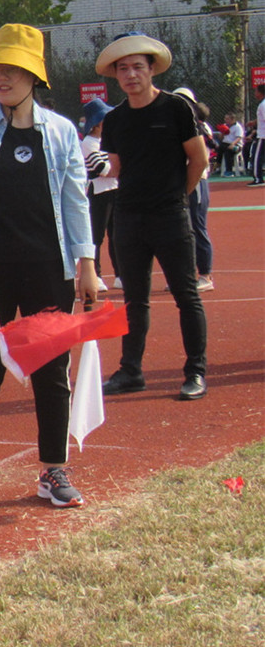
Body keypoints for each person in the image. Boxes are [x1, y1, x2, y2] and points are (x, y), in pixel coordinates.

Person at [0, 24, 99, 508]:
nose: (2, 77)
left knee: (52, 370)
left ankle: (53, 469)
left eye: (13, 69)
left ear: (34, 76)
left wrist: (87, 264)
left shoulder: (61, 131)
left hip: (49, 269)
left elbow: (76, 202)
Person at [97, 32, 208, 401]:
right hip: (128, 217)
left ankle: (195, 372)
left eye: (137, 67)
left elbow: (198, 159)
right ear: (116, 75)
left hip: (170, 216)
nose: (131, 75)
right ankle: (131, 371)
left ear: (152, 70)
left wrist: (177, 197)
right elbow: (117, 168)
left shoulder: (176, 108)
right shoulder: (114, 119)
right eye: (123, 69)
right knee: (134, 299)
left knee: (186, 295)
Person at [172, 88, 215, 292]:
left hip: (196, 181)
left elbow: (200, 158)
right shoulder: (184, 124)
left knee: (197, 227)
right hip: (184, 181)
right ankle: (186, 275)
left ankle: (205, 275)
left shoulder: (197, 126)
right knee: (182, 230)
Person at [79, 97, 120, 290]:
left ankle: (120, 275)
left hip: (114, 191)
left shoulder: (108, 140)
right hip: (99, 194)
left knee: (117, 235)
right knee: (96, 236)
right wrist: (118, 168)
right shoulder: (88, 143)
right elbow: (103, 169)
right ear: (97, 122)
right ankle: (96, 275)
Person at [250, 80, 265, 186]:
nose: (255, 93)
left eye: (256, 91)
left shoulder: (262, 105)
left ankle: (258, 178)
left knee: (257, 157)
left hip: (263, 136)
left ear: (260, 93)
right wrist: (254, 122)